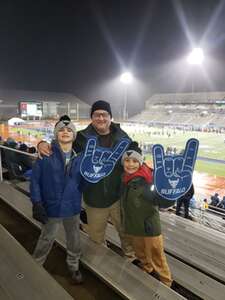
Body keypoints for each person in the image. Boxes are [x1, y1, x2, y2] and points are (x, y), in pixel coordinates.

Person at [37, 100, 134, 259]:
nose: (101, 118)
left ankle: (131, 258)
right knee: (96, 238)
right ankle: (105, 269)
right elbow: (61, 145)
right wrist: (42, 144)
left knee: (126, 233)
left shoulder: (122, 136)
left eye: (104, 115)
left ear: (110, 117)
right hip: (93, 198)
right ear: (92, 117)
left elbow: (133, 152)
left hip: (118, 196)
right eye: (97, 115)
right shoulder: (81, 137)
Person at [30, 116, 85, 284]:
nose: (65, 132)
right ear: (55, 134)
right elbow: (35, 181)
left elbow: (84, 182)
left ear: (74, 135)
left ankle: (73, 266)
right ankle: (35, 265)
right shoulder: (45, 154)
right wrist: (37, 202)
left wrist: (84, 207)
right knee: (47, 237)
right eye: (61, 130)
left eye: (69, 130)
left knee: (74, 238)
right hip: (52, 206)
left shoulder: (81, 157)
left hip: (72, 207)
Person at [120, 142, 173, 287]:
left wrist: (170, 194)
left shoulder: (149, 180)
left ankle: (167, 282)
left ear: (141, 162)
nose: (130, 164)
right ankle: (147, 268)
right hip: (133, 226)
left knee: (157, 258)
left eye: (135, 161)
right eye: (127, 160)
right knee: (140, 253)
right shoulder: (124, 179)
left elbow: (163, 202)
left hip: (150, 228)